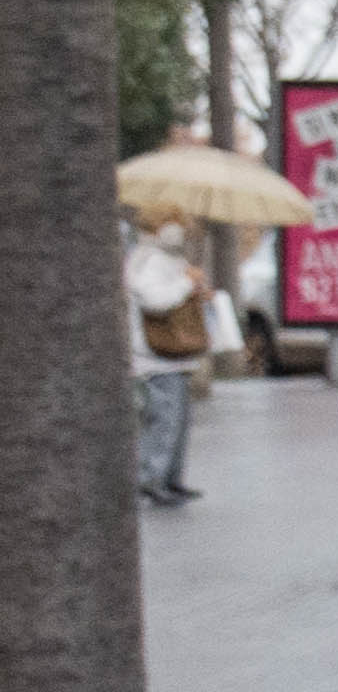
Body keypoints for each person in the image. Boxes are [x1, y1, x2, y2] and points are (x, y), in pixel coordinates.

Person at [128, 211, 218, 504]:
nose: (179, 229)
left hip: (173, 354)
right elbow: (154, 300)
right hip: (156, 355)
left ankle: (170, 477)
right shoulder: (147, 259)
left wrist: (196, 287)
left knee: (177, 421)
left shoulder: (170, 258)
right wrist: (186, 285)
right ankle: (152, 479)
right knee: (164, 419)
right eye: (173, 221)